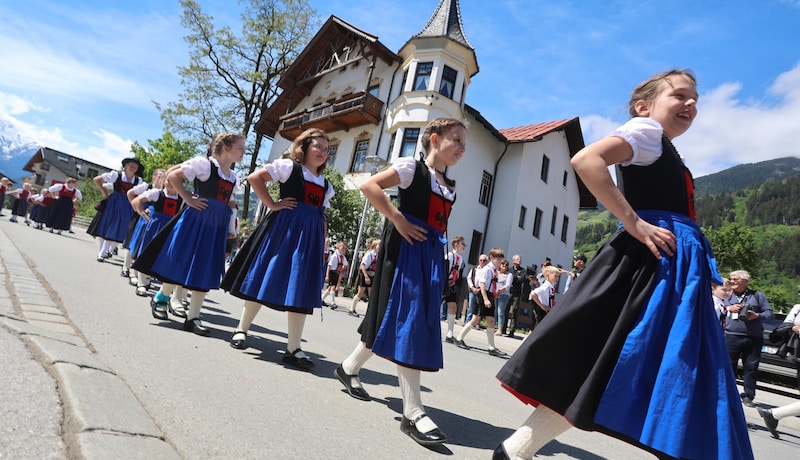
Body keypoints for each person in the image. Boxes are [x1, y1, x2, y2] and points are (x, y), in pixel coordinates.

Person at [494, 69, 753, 460]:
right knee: (672, 373)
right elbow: (587, 160)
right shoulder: (647, 132)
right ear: (644, 106)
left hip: (671, 270)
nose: (691, 104)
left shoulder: (665, 148)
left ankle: (514, 452)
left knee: (606, 364)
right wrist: (634, 222)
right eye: (680, 95)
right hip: (654, 268)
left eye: (695, 99)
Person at [335, 118, 466, 446]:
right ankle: (413, 412)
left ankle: (349, 367)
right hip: (405, 253)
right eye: (457, 140)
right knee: (408, 323)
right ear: (434, 139)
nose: (462, 148)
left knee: (392, 321)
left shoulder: (449, 184)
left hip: (429, 256)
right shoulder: (411, 168)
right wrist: (397, 219)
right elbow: (370, 186)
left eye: (465, 143)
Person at [221, 128, 333, 370]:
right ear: (304, 147)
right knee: (264, 277)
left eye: (326, 149)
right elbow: (254, 178)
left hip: (309, 239)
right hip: (284, 231)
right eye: (318, 147)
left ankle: (293, 348)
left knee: (300, 288)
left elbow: (321, 215)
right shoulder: (288, 167)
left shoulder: (326, 184)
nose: (323, 153)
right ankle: (241, 329)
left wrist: (321, 241)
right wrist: (273, 204)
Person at [133, 132, 243, 336]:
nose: (243, 152)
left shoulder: (233, 177)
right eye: (240, 148)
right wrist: (188, 198)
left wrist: (230, 228)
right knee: (181, 261)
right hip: (195, 220)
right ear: (226, 148)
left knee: (205, 267)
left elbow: (229, 203)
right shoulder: (204, 164)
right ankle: (162, 297)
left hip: (216, 225)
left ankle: (193, 317)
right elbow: (173, 175)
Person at [724, 270, 774, 407]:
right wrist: (729, 308)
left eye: (735, 279)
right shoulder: (726, 294)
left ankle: (748, 396)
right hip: (731, 335)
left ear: (746, 282)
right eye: (731, 279)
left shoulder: (757, 296)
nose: (732, 281)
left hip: (754, 337)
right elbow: (717, 306)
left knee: (751, 367)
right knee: (729, 365)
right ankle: (727, 393)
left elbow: (769, 313)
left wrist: (757, 316)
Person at [129, 171, 183, 297]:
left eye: (173, 180)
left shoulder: (182, 199)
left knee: (162, 255)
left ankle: (151, 280)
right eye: (168, 180)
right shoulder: (156, 193)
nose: (170, 183)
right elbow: (136, 201)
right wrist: (142, 213)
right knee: (146, 252)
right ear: (164, 181)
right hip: (155, 226)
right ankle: (141, 283)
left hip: (169, 228)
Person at [453, 247, 508, 358]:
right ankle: (459, 338)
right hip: (484, 295)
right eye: (497, 259)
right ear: (491, 258)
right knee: (475, 319)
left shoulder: (495, 270)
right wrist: (485, 299)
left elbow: (492, 283)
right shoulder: (487, 269)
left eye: (501, 259)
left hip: (490, 295)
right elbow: (482, 284)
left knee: (491, 321)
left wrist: (495, 292)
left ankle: (491, 347)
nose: (499, 261)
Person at [757, 301, 800, 439]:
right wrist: (793, 328)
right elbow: (786, 325)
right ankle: (773, 414)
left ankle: (773, 414)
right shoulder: (798, 308)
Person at [89, 157, 144, 262]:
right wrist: (105, 193)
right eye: (131, 166)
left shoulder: (138, 181)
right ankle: (102, 252)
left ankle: (109, 250)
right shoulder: (116, 176)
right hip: (114, 204)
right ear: (126, 166)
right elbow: (97, 179)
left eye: (135, 167)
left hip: (128, 206)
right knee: (110, 226)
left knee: (123, 228)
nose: (133, 168)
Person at [443, 236, 466, 343]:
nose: (464, 247)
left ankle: (450, 334)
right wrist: (445, 281)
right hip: (444, 283)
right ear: (456, 245)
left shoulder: (461, 259)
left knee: (453, 307)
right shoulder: (450, 255)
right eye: (463, 244)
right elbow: (444, 269)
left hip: (452, 285)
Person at [349, 239, 380, 318]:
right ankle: (351, 309)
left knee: (371, 294)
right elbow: (363, 266)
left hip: (372, 275)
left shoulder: (378, 256)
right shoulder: (369, 254)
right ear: (374, 246)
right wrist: (366, 277)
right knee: (360, 292)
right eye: (379, 245)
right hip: (365, 274)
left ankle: (369, 313)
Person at [502, 254, 526, 338]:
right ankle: (503, 328)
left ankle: (512, 330)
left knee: (514, 311)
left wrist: (514, 278)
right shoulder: (510, 269)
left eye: (520, 259)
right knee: (505, 310)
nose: (519, 261)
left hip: (517, 293)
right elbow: (509, 278)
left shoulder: (523, 270)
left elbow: (522, 279)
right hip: (509, 292)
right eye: (517, 259)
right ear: (513, 260)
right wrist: (515, 277)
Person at [321, 241, 348, 309]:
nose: (344, 249)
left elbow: (346, 264)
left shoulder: (343, 257)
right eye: (342, 248)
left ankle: (321, 299)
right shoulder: (334, 256)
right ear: (338, 248)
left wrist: (344, 267)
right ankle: (333, 303)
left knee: (330, 288)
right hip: (332, 272)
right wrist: (327, 275)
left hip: (337, 273)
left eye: (345, 248)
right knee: (333, 287)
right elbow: (329, 266)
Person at [464, 255, 487, 323]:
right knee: (471, 306)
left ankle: (477, 323)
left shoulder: (487, 270)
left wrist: (480, 289)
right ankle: (468, 321)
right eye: (481, 260)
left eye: (484, 260)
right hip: (473, 290)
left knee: (480, 308)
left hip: (482, 291)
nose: (482, 262)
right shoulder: (474, 268)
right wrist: (472, 287)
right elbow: (469, 278)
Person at [494, 259, 512, 336]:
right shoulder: (496, 273)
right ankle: (491, 327)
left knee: (500, 312)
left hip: (503, 295)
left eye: (506, 265)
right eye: (503, 264)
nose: (504, 266)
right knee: (494, 310)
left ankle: (500, 329)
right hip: (495, 294)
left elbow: (507, 285)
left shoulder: (509, 275)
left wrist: (500, 291)